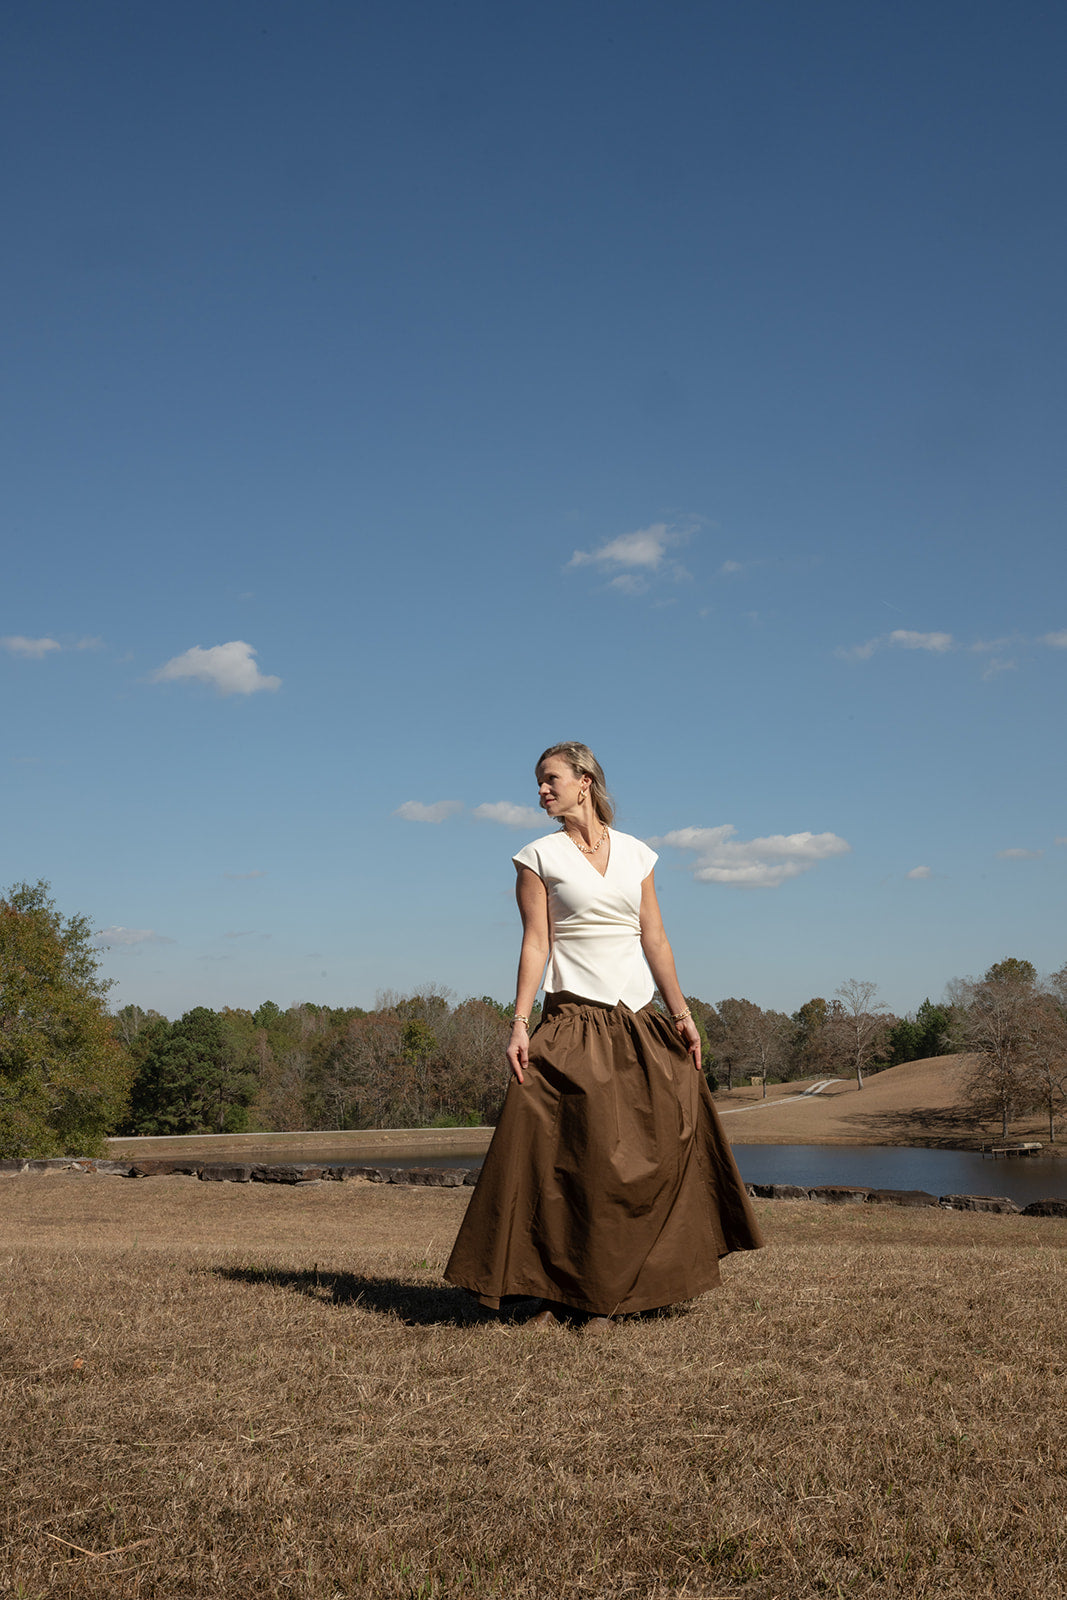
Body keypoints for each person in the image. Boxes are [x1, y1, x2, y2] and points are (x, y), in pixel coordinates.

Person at [444, 742, 763, 1328]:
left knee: (650, 1149)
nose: (541, 790)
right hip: (574, 1018)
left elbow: (654, 939)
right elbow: (536, 943)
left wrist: (683, 1015)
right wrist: (520, 1023)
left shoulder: (637, 853)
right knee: (564, 1153)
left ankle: (622, 1291)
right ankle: (554, 1291)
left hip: (639, 1019)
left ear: (585, 781)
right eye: (539, 782)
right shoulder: (537, 856)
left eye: (550, 779)